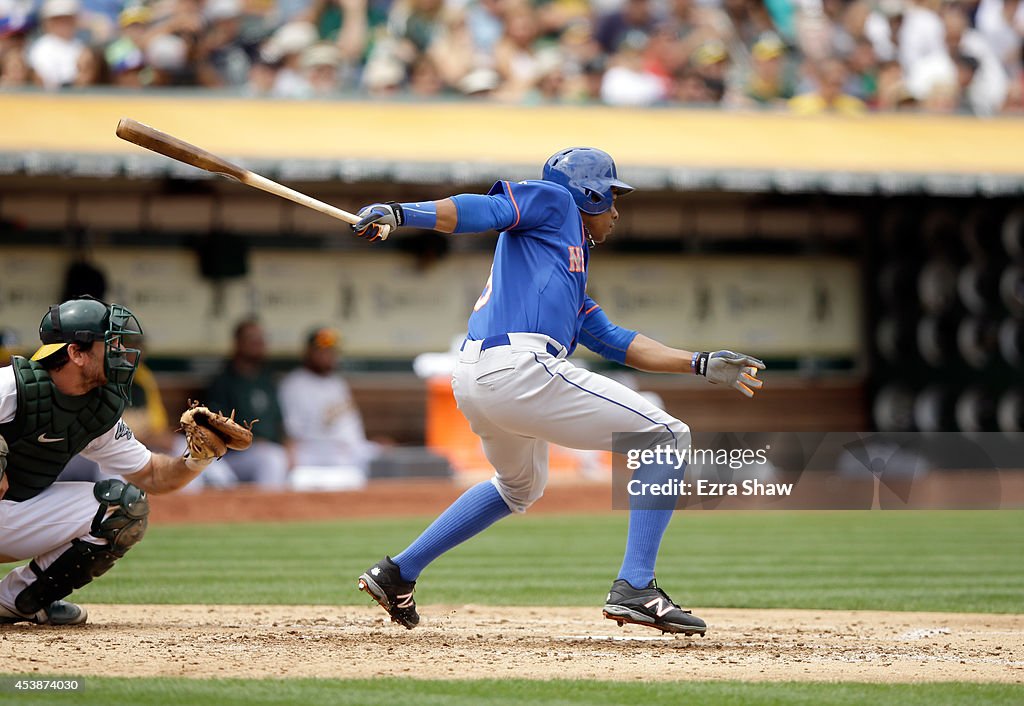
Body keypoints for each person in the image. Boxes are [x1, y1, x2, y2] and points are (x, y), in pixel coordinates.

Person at [349, 147, 765, 635]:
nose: (616, 210)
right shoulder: (556, 203)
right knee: (666, 436)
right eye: (612, 197)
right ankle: (635, 585)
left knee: (519, 487)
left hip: (479, 375)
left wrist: (696, 361)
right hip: (517, 366)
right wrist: (403, 214)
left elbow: (614, 339)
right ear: (588, 193)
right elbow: (485, 210)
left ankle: (399, 571)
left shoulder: (565, 264)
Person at [0, 297, 229, 625]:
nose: (121, 352)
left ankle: (16, 600)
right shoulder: (11, 387)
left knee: (123, 508)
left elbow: (152, 474)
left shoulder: (97, 410)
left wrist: (198, 457)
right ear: (76, 353)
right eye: (110, 343)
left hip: (10, 516)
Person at [278, 327, 377, 484]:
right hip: (313, 453)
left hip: (346, 452)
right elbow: (292, 433)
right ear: (309, 352)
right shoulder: (294, 384)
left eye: (331, 352)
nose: (328, 356)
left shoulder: (337, 384)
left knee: (382, 456)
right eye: (322, 351)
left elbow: (352, 430)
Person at [204, 318, 289, 489]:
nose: (258, 343)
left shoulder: (267, 381)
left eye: (261, 339)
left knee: (276, 456)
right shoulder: (223, 382)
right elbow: (216, 431)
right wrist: (254, 442)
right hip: (231, 458)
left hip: (268, 452)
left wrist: (289, 446)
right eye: (252, 338)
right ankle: (266, 512)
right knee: (272, 458)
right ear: (238, 343)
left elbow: (280, 423)